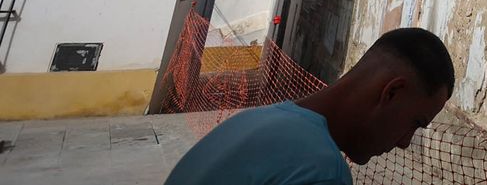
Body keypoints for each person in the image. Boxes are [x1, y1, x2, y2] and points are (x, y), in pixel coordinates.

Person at [165, 28, 454, 185]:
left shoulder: (249, 122)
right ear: (392, 93)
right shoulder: (323, 170)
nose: (405, 143)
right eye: (416, 123)